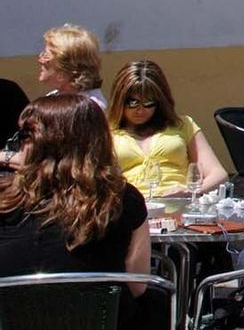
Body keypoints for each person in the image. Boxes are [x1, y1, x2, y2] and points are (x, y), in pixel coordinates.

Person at [0, 95, 153, 307]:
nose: (18, 142)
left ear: (41, 142)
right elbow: (137, 285)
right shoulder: (123, 198)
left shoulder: (4, 197)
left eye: (25, 134)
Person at [108, 61, 228, 197]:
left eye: (148, 103)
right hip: (132, 208)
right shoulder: (106, 132)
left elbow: (219, 175)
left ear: (159, 101)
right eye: (132, 102)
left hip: (178, 202)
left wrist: (190, 192)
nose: (140, 110)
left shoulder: (182, 124)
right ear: (120, 100)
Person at [37, 24, 106, 109]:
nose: (40, 60)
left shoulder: (90, 108)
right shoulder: (54, 97)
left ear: (64, 71)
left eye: (46, 56)